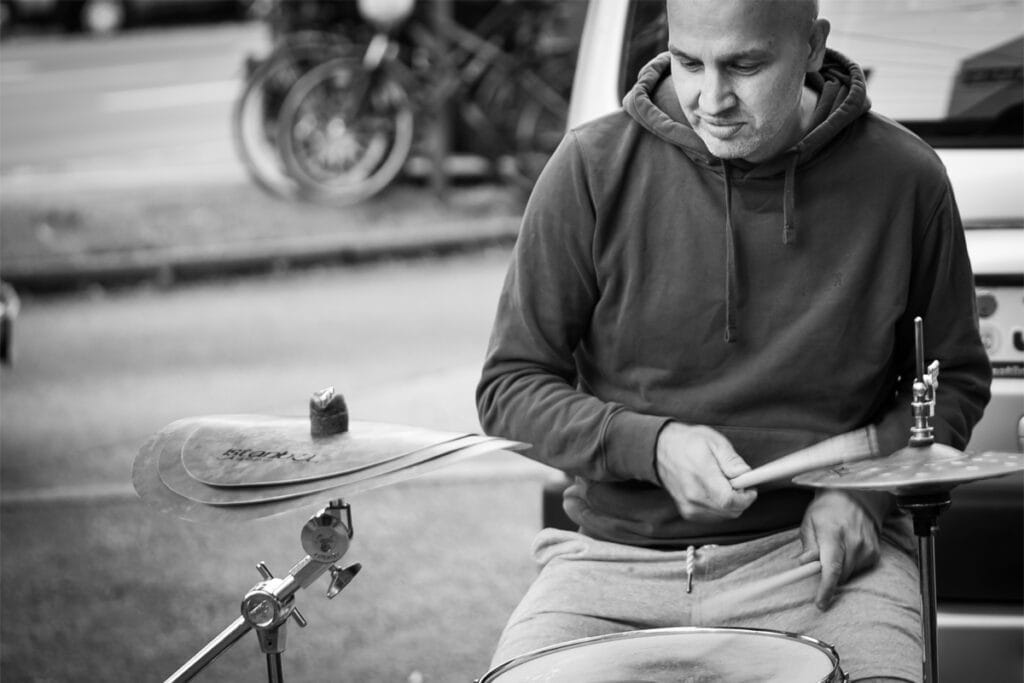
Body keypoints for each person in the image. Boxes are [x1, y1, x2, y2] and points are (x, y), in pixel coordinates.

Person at [475, 0, 992, 680]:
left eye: (745, 66)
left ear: (812, 48)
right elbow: (509, 387)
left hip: (818, 565)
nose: (711, 99)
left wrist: (862, 494)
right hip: (610, 563)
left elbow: (952, 379)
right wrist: (653, 446)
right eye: (689, 63)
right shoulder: (590, 166)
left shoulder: (905, 177)